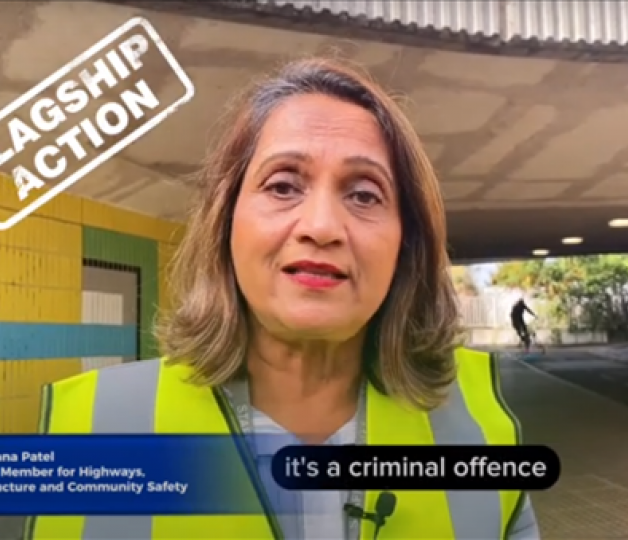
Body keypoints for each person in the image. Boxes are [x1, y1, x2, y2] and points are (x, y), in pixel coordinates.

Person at [26, 58, 540, 539]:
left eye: (364, 194)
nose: (320, 227)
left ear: (406, 242)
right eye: (282, 186)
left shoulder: (482, 430)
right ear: (225, 222)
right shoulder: (95, 430)